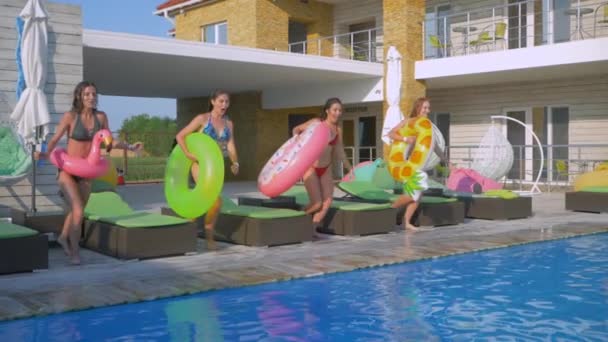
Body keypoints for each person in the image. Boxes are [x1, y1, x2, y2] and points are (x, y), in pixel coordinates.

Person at [36, 81, 142, 264]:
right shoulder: (70, 116)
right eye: (87, 94)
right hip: (67, 170)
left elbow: (110, 142)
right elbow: (55, 138)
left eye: (94, 94)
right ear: (79, 96)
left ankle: (62, 237)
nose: (91, 97)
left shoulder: (101, 118)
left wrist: (130, 147)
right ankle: (75, 252)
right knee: (77, 209)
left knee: (78, 211)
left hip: (87, 173)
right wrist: (45, 154)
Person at [175, 90, 239, 250]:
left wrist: (235, 162)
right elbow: (180, 136)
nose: (224, 105)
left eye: (227, 102)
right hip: (199, 164)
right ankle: (209, 234)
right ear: (213, 102)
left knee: (205, 201)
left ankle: (187, 232)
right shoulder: (202, 119)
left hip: (216, 167)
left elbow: (230, 146)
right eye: (221, 101)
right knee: (214, 199)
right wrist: (188, 154)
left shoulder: (229, 124)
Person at [388, 97, 450, 231]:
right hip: (402, 166)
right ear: (418, 108)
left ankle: (406, 222)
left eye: (428, 108)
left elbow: (434, 146)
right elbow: (390, 134)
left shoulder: (426, 125)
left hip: (413, 165)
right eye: (425, 108)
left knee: (418, 195)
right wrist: (405, 138)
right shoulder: (407, 122)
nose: (427, 110)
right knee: (414, 193)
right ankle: (390, 208)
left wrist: (444, 159)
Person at [292, 98, 352, 232]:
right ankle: (296, 218)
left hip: (326, 168)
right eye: (335, 110)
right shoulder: (316, 123)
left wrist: (350, 169)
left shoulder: (337, 130)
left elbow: (339, 151)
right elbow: (296, 129)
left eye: (340, 110)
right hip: (311, 168)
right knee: (317, 203)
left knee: (327, 202)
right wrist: (296, 140)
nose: (338, 113)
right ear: (327, 110)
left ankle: (312, 229)